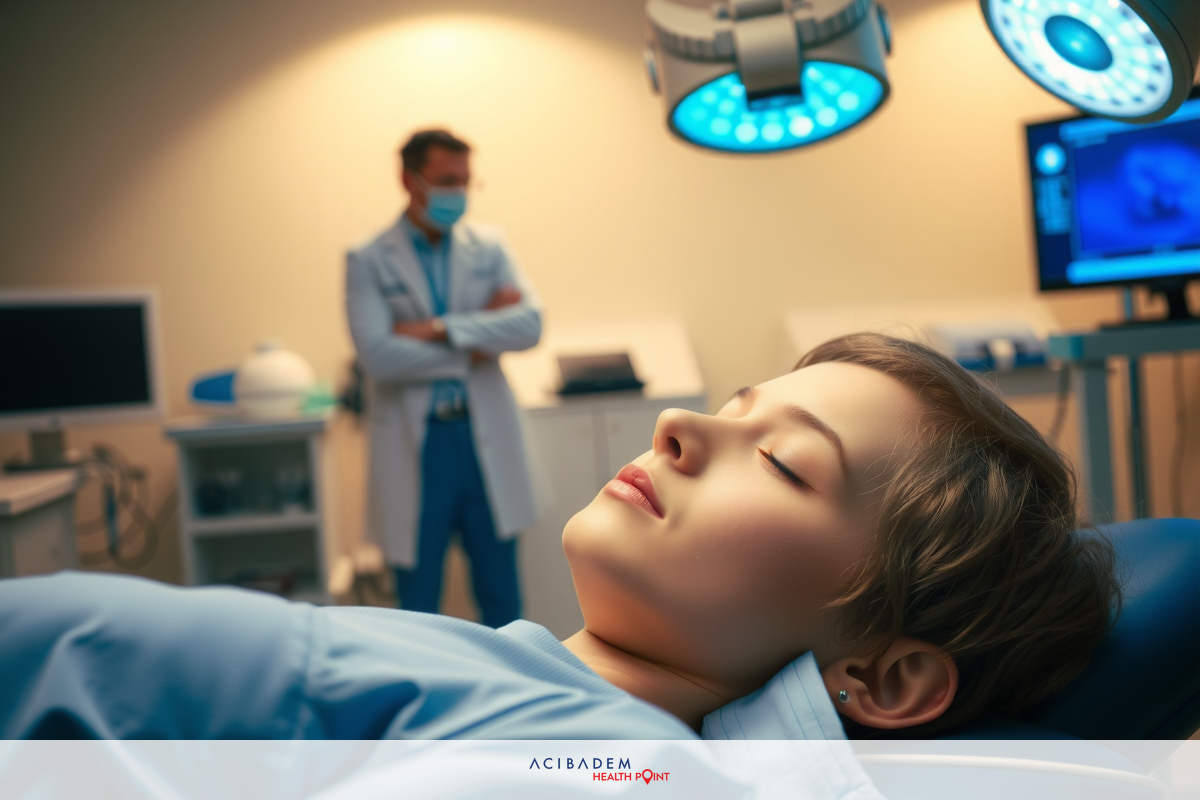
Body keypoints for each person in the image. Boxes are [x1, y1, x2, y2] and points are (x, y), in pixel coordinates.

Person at [0, 333, 1118, 741]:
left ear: (879, 672)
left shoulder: (592, 752)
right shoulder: (516, 676)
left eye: (783, 459)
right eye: (728, 410)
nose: (678, 425)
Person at [344, 129, 540, 628]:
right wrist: (474, 347)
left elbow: (529, 325)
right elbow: (378, 357)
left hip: (483, 439)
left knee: (504, 603)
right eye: (446, 180)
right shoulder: (367, 259)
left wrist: (436, 330)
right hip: (418, 445)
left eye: (466, 181)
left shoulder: (490, 246)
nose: (458, 193)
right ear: (409, 180)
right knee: (417, 611)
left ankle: (517, 698)